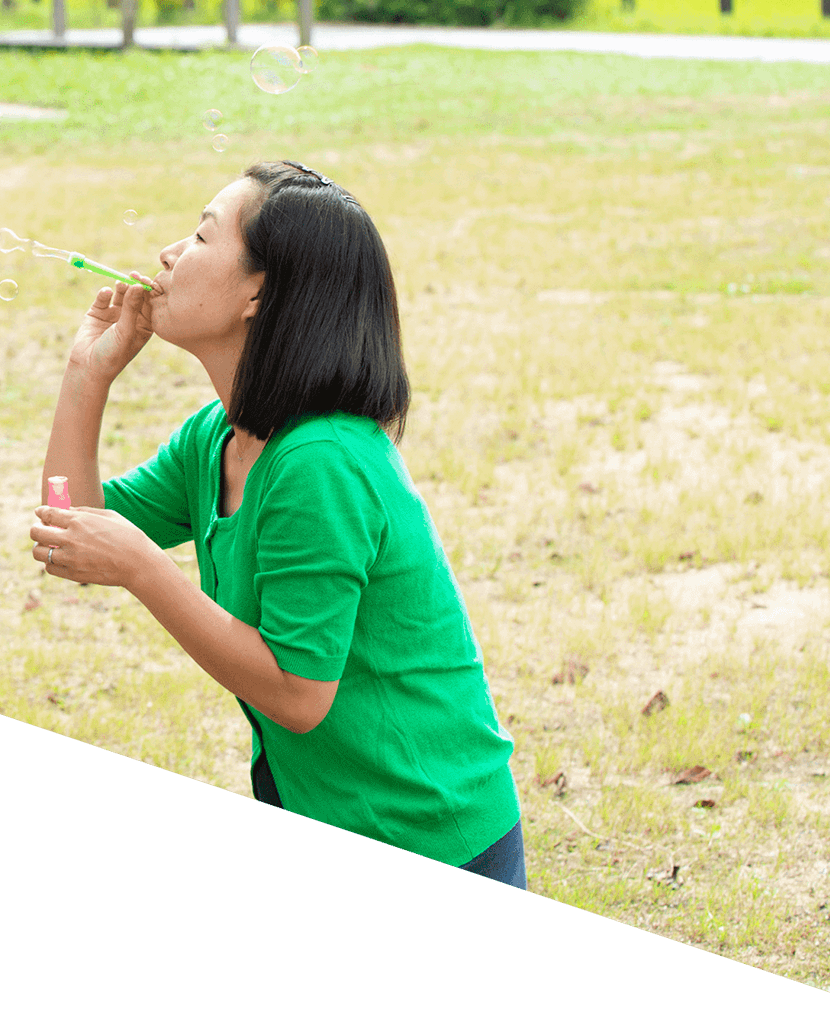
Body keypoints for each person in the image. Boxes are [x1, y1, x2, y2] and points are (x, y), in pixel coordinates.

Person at [30, 161, 525, 888]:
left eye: (199, 236)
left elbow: (299, 693)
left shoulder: (320, 460)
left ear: (258, 292)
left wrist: (145, 569)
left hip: (424, 826)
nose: (167, 253)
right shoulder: (216, 438)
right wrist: (86, 374)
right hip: (328, 803)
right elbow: (67, 532)